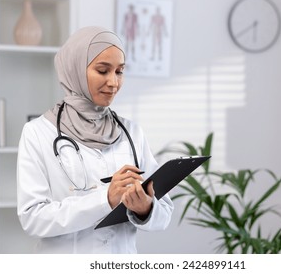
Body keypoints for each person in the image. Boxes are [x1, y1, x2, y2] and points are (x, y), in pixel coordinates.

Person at [16, 26, 174, 253]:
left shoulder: (132, 132)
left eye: (119, 71)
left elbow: (164, 213)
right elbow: (32, 218)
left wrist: (145, 208)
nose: (113, 82)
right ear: (75, 70)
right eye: (103, 71)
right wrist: (105, 199)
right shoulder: (38, 132)